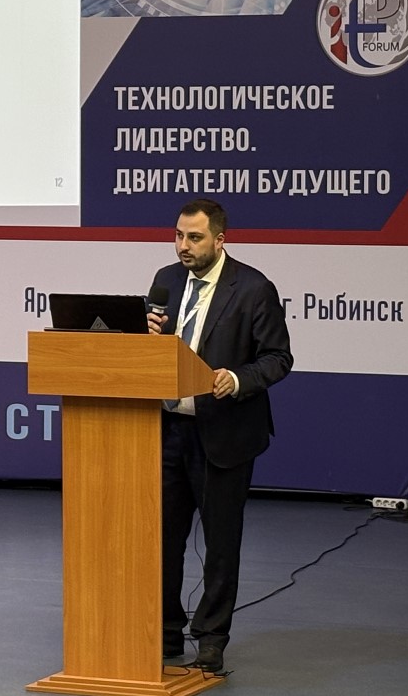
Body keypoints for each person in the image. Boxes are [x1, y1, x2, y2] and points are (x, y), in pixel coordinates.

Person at [146, 197, 292, 673]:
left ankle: (211, 639)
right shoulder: (166, 281)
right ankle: (165, 632)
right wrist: (146, 338)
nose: (182, 246)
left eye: (194, 238)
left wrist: (237, 379)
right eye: (178, 236)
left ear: (219, 239)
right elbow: (154, 355)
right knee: (162, 541)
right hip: (168, 431)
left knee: (221, 546)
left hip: (225, 434)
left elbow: (277, 358)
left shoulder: (253, 289)